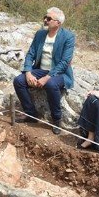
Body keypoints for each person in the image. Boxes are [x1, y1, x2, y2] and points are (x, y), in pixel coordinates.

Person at [13, 7, 75, 135]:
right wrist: (28, 72)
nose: (45, 20)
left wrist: (47, 77)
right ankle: (31, 114)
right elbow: (30, 54)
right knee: (19, 80)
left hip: (59, 73)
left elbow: (64, 62)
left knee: (51, 84)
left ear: (58, 22)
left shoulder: (68, 37)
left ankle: (56, 119)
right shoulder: (40, 34)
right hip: (40, 69)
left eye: (49, 18)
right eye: (45, 17)